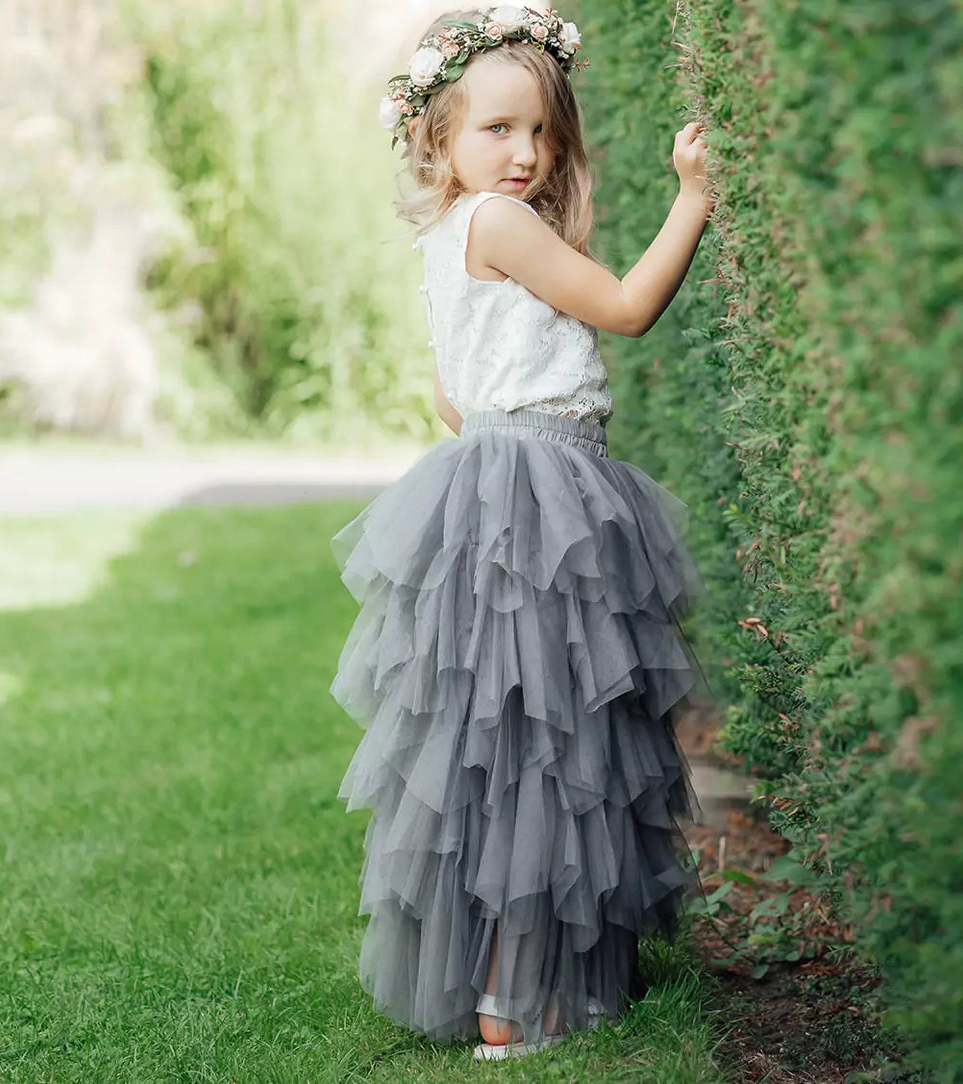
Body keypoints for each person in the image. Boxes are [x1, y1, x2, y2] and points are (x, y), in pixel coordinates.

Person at [331, 4, 713, 1063]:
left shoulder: (446, 235)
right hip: (544, 491)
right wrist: (695, 197)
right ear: (437, 137)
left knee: (507, 749)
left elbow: (453, 402)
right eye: (496, 129)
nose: (527, 151)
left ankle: (523, 983)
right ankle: (516, 997)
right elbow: (629, 307)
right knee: (552, 748)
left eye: (541, 130)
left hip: (490, 480)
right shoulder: (504, 225)